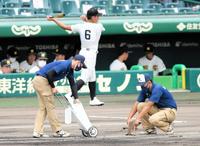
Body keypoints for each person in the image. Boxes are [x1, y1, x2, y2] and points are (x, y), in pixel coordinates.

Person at [47, 7, 105, 106]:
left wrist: (54, 19)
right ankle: (70, 94)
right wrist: (85, 19)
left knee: (92, 75)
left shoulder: (81, 26)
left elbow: (65, 27)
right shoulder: (99, 26)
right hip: (90, 54)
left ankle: (93, 98)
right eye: (97, 16)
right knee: (85, 77)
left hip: (84, 52)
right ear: (93, 17)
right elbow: (92, 24)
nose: (98, 18)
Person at [32, 54, 87, 138]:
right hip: (42, 80)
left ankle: (37, 131)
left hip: (38, 80)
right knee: (51, 107)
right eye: (81, 65)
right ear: (78, 62)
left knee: (43, 108)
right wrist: (53, 87)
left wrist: (76, 99)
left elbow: (73, 85)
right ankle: (58, 131)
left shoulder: (70, 70)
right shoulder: (65, 65)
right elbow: (49, 74)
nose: (81, 67)